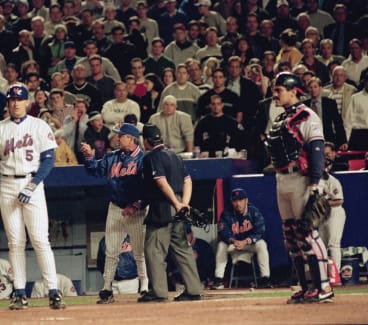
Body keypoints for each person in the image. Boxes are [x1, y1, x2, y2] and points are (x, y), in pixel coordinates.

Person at [0, 84, 65, 310]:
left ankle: (53, 291)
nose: (16, 103)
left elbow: (48, 159)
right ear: (8, 103)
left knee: (40, 239)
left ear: (27, 102)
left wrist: (33, 184)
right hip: (7, 184)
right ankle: (19, 292)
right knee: (15, 242)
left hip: (32, 183)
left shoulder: (38, 125)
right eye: (12, 99)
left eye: (20, 99)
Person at [266, 72, 333, 303]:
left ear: (293, 91)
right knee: (291, 236)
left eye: (279, 90)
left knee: (307, 235)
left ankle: (323, 287)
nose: (275, 94)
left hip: (301, 180)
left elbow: (316, 149)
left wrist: (316, 184)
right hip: (282, 178)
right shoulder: (280, 118)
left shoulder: (307, 116)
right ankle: (306, 287)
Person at [80, 123, 148, 304]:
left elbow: (149, 189)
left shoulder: (143, 159)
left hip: (136, 211)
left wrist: (136, 205)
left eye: (121, 135)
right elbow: (94, 169)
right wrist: (89, 157)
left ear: (131, 138)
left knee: (139, 252)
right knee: (111, 251)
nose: (117, 138)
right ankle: (106, 288)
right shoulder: (113, 157)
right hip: (115, 207)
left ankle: (145, 287)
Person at [138, 123, 203, 303]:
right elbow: (188, 180)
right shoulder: (174, 155)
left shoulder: (150, 157)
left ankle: (158, 292)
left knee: (154, 250)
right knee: (182, 249)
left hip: (163, 206)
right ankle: (194, 289)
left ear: (146, 141)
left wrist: (175, 202)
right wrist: (184, 204)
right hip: (179, 205)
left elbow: (161, 181)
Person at [211, 188, 272, 289]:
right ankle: (219, 280)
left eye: (240, 200)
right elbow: (223, 232)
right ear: (232, 202)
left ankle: (265, 279)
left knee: (262, 244)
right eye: (235, 200)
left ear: (246, 201)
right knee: (221, 245)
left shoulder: (254, 212)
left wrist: (246, 241)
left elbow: (260, 231)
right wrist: (233, 240)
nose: (238, 203)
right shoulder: (226, 214)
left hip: (249, 244)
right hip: (234, 244)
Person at [319, 149, 346, 271]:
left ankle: (336, 273)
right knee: (321, 245)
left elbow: (339, 200)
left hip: (335, 212)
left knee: (333, 244)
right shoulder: (312, 181)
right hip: (321, 215)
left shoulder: (332, 181)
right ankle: (323, 274)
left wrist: (323, 203)